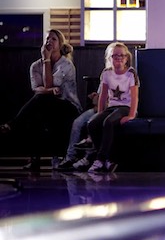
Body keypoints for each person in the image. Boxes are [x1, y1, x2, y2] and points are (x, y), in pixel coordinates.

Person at [0, 29, 82, 170]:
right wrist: (49, 90)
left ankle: (13, 124)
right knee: (36, 114)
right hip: (46, 104)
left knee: (39, 101)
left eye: (53, 39)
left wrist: (47, 60)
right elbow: (37, 88)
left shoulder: (66, 65)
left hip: (68, 105)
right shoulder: (35, 66)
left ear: (60, 44)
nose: (49, 41)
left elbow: (47, 86)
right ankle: (35, 160)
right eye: (47, 39)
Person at [56, 43, 118, 171]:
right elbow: (100, 96)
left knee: (93, 122)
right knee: (78, 122)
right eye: (113, 56)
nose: (116, 58)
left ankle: (89, 157)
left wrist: (101, 102)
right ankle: (70, 156)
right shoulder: (106, 73)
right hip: (99, 107)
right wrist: (96, 97)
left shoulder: (126, 74)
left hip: (110, 109)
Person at [86, 42, 140, 173]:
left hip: (126, 107)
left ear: (127, 58)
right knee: (92, 123)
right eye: (115, 56)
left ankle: (99, 159)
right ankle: (108, 160)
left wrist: (131, 115)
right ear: (110, 59)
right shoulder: (106, 73)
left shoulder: (131, 73)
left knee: (108, 122)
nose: (119, 58)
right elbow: (103, 96)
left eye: (121, 55)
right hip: (112, 107)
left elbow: (134, 97)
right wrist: (99, 113)